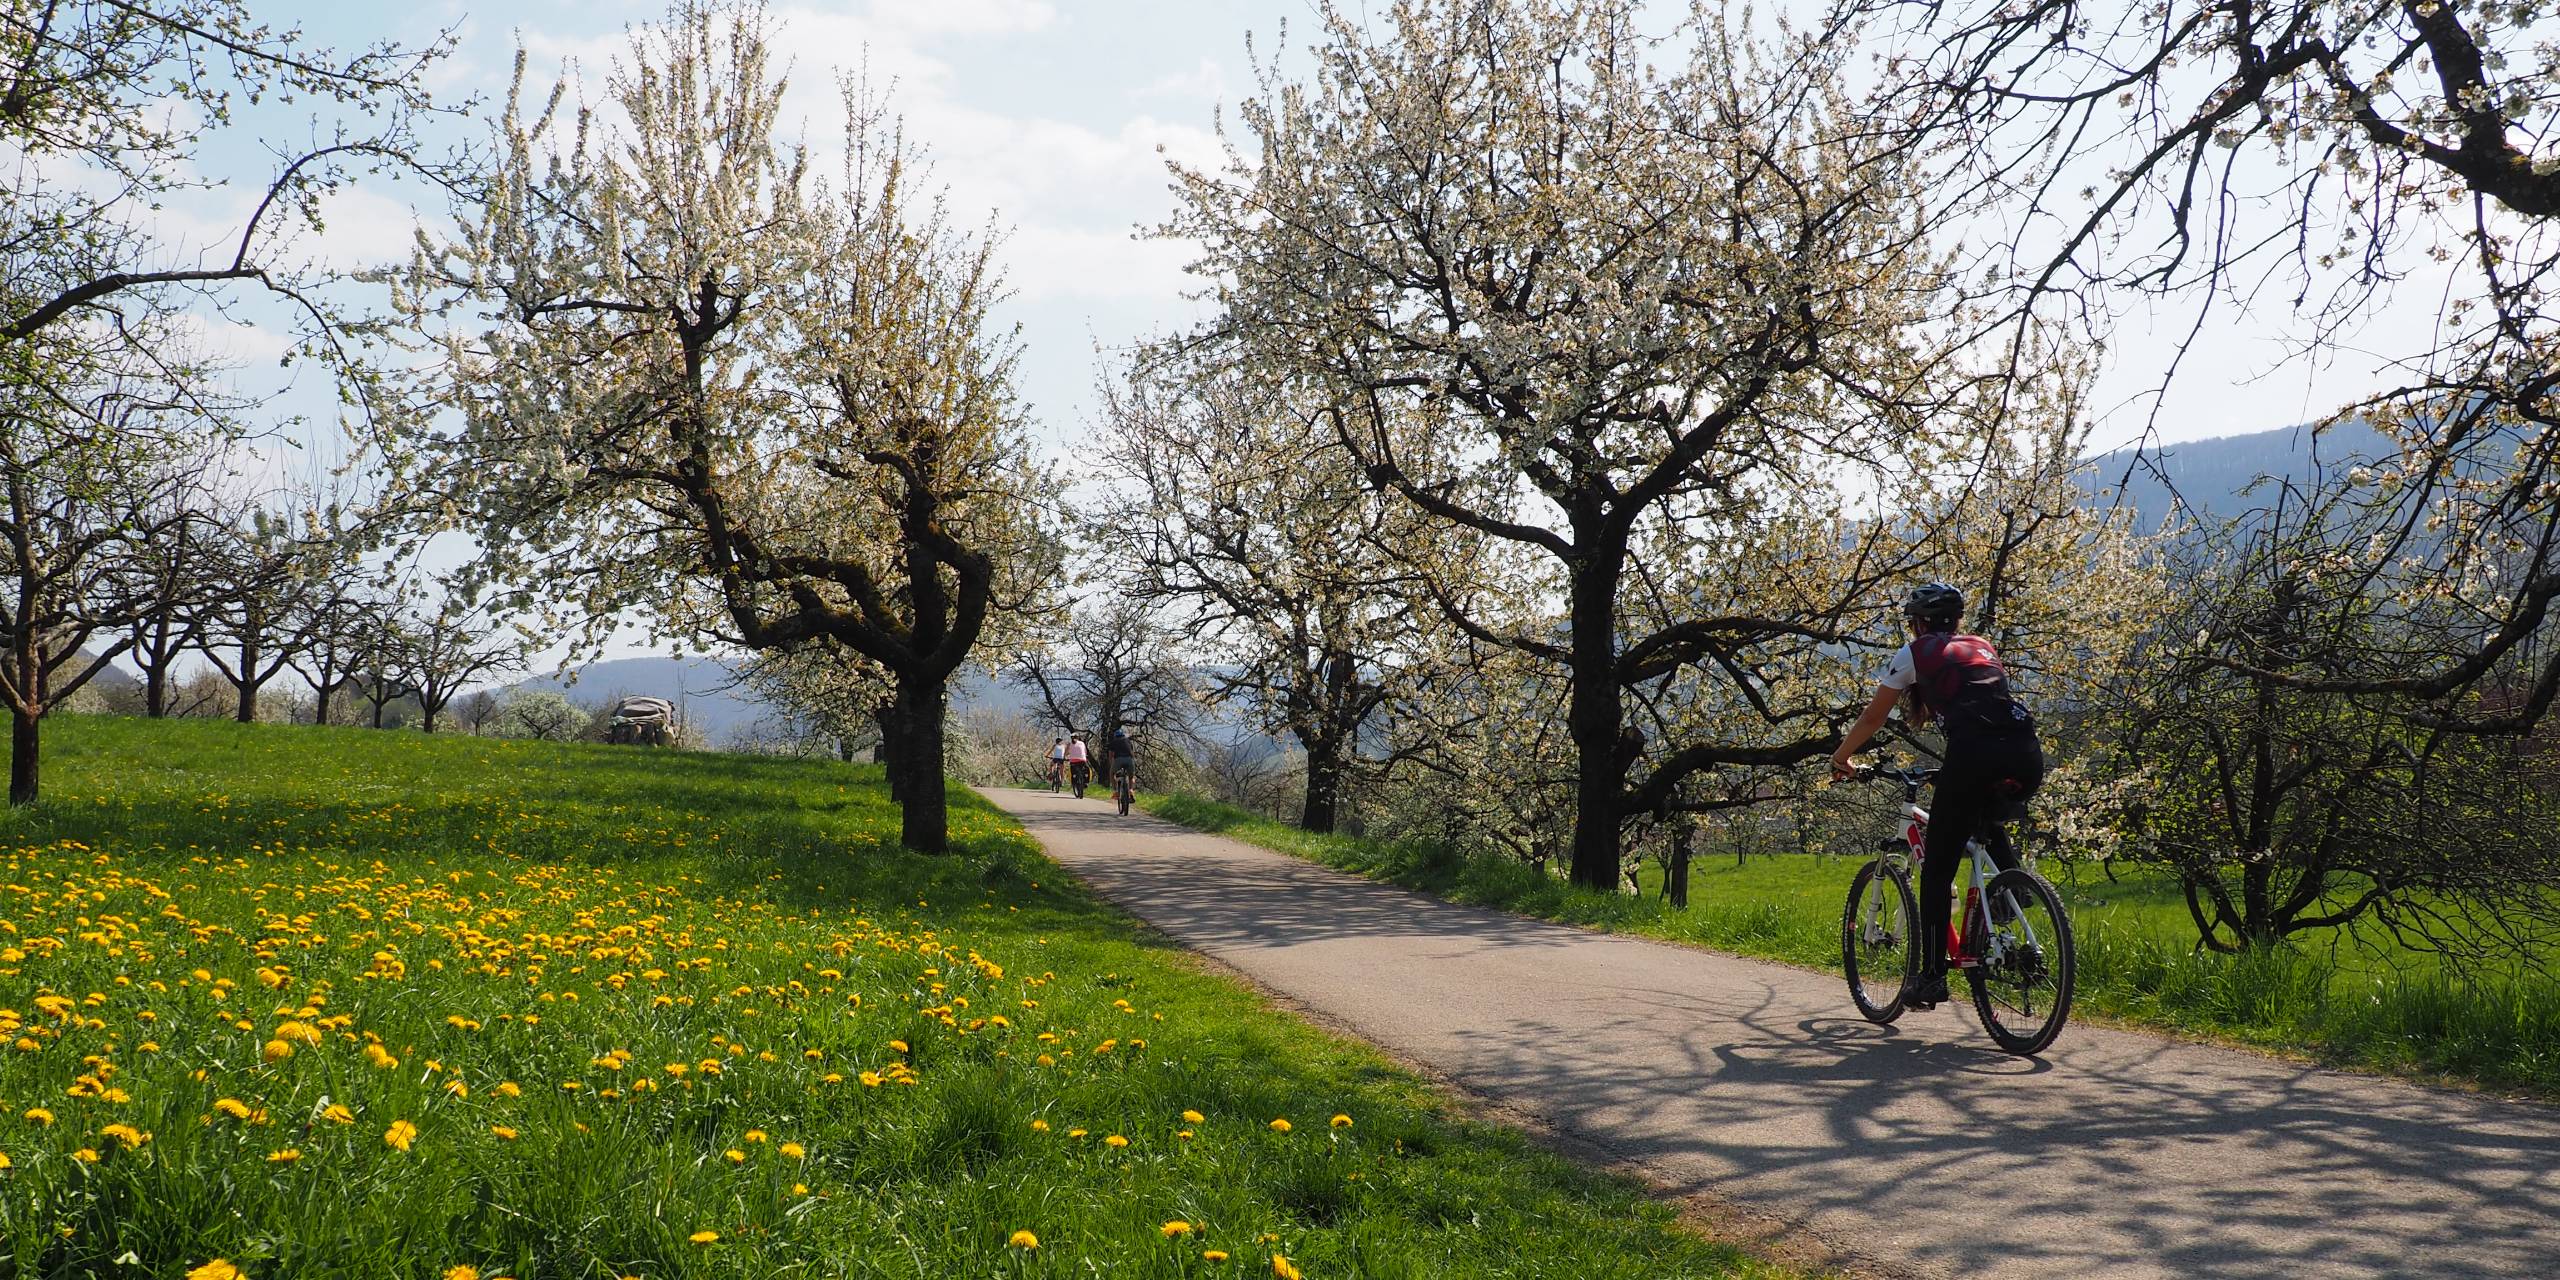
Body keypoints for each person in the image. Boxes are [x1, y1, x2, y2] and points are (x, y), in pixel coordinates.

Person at [1829, 582, 2043, 1010]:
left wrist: (1841, 758)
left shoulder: (1916, 652)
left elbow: (1874, 716)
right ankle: (2012, 897)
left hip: (1973, 757)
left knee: (1937, 871)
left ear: (1918, 621)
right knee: (1986, 822)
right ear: (1957, 620)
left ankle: (1931, 979)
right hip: (2025, 754)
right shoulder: (1981, 645)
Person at [1106, 725, 1135, 793]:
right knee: (1131, 776)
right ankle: (1131, 790)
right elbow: (1132, 753)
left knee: (1112, 773)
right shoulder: (1128, 741)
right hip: (1129, 759)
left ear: (1115, 736)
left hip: (1118, 760)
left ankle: (1115, 791)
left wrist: (1111, 765)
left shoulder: (1113, 742)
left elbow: (1110, 756)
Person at [1064, 732, 1092, 797]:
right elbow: (1085, 752)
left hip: (1073, 761)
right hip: (1082, 760)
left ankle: (1074, 783)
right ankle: (1086, 782)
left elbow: (1066, 753)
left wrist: (1065, 756)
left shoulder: (1069, 744)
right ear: (1078, 737)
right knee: (1086, 770)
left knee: (1073, 773)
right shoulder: (1082, 743)